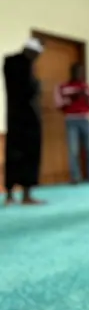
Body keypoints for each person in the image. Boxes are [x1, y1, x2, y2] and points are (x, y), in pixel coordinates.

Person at [3, 38, 45, 205]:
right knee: (30, 154)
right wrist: (38, 84)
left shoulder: (8, 63)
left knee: (12, 154)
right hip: (29, 117)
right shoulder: (26, 65)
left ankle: (9, 195)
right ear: (33, 52)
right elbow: (30, 90)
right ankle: (27, 195)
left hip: (13, 117)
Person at [54, 62, 89, 184]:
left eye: (81, 72)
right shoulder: (63, 87)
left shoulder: (86, 87)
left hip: (85, 119)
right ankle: (75, 177)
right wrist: (73, 98)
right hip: (71, 119)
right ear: (72, 72)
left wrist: (84, 98)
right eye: (77, 71)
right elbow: (59, 105)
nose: (79, 74)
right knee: (73, 149)